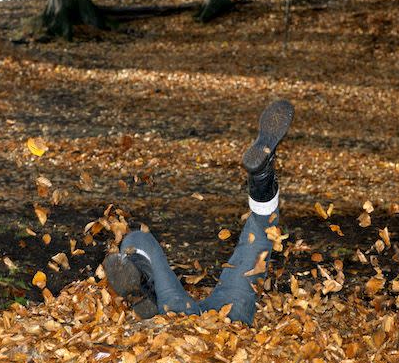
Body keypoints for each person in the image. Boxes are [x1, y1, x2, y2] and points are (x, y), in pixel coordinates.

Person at [103, 100, 294, 325]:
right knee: (260, 234)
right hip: (228, 320)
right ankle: (262, 175)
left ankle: (149, 293)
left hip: (180, 312)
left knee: (136, 240)